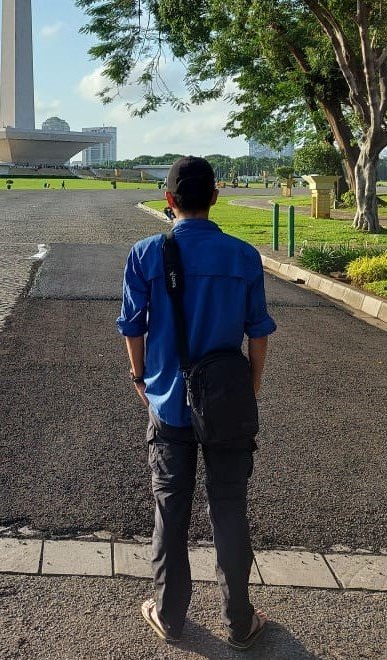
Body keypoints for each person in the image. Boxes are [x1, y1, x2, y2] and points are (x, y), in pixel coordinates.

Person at [118, 156, 276, 650]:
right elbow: (258, 335)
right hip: (227, 403)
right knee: (230, 509)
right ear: (215, 198)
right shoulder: (243, 256)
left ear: (169, 201)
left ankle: (169, 615)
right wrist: (249, 390)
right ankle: (238, 621)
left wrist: (141, 375)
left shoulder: (145, 253)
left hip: (168, 405)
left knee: (171, 509)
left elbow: (132, 326)